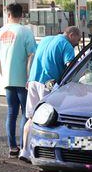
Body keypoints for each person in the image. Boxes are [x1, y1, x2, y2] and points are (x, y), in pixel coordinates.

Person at [20, 26, 81, 160]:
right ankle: (44, 153)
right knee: (47, 120)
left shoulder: (45, 39)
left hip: (33, 81)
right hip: (48, 84)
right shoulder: (66, 45)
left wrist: (29, 78)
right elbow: (71, 66)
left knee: (31, 118)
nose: (77, 44)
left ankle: (24, 151)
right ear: (71, 35)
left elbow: (34, 58)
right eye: (77, 40)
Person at [0, 3, 36, 158]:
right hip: (23, 80)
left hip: (8, 79)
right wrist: (29, 77)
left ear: (8, 14)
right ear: (22, 15)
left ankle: (12, 147)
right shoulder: (25, 32)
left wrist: (4, 75)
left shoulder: (0, 32)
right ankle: (24, 147)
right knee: (26, 113)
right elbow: (32, 55)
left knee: (11, 112)